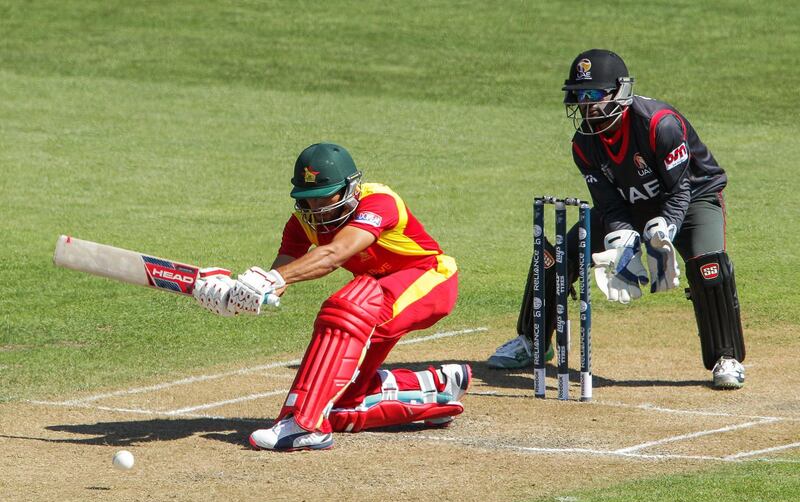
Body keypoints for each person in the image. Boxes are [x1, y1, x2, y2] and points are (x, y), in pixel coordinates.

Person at [488, 49, 746, 389]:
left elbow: (680, 190)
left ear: (620, 92)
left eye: (594, 94)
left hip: (694, 199)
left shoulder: (659, 124)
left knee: (708, 265)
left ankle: (725, 357)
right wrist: (622, 239)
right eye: (580, 95)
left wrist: (661, 233)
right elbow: (609, 205)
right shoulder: (584, 144)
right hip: (629, 203)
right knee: (557, 256)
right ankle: (531, 341)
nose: (586, 104)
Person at [193, 142, 471, 451]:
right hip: (375, 292)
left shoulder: (379, 203)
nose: (316, 207)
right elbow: (281, 274)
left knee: (345, 309)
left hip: (429, 279)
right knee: (342, 408)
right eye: (307, 199)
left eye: (325, 197)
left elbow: (334, 255)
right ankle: (437, 387)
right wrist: (238, 293)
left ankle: (304, 424)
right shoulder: (302, 224)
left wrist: (273, 278)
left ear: (350, 187)